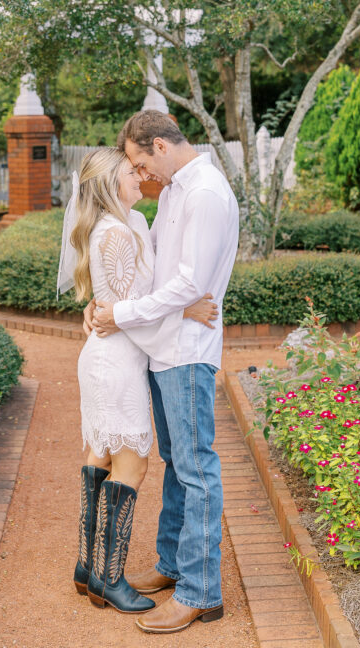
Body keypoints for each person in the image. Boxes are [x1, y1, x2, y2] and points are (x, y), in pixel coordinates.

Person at [87, 110, 239, 634]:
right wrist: (102, 301)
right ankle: (174, 566)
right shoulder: (175, 188)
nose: (140, 174)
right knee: (176, 462)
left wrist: (120, 315)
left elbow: (190, 284)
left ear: (159, 145)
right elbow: (153, 268)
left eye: (138, 162)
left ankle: (201, 593)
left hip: (189, 351)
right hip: (164, 346)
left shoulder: (205, 194)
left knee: (196, 469)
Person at [57, 147, 218, 615]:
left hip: (117, 355)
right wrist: (185, 309)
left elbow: (125, 304)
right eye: (131, 173)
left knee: (102, 455)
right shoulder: (115, 234)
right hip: (116, 361)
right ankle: (109, 578)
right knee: (134, 464)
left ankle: (89, 568)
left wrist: (111, 310)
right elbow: (131, 313)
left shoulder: (134, 224)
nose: (139, 178)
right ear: (110, 184)